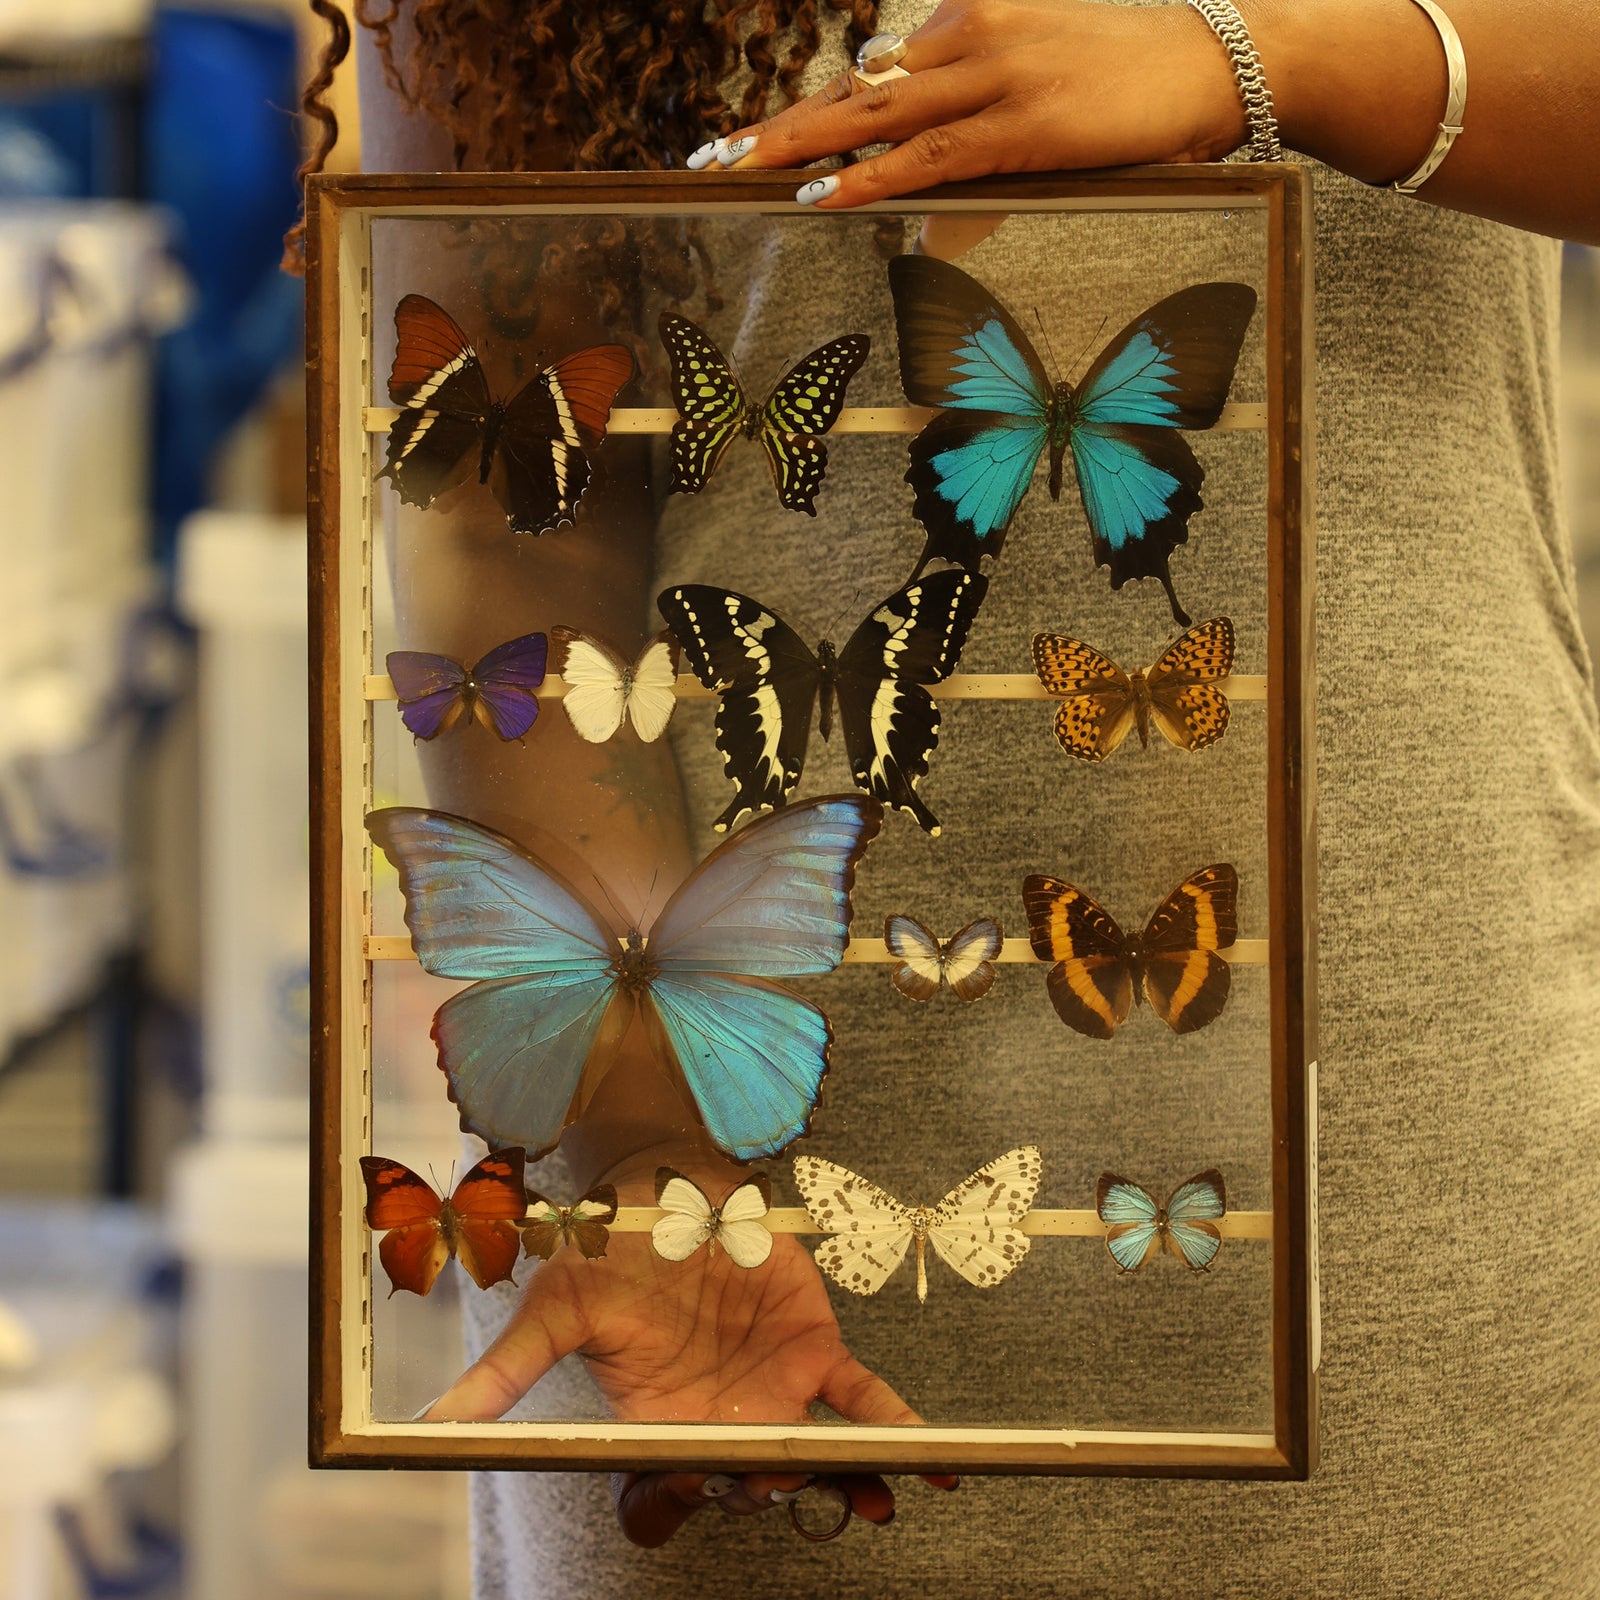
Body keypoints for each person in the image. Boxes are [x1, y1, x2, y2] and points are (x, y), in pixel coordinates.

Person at [309, 0, 1600, 1592]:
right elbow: (511, 520)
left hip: (1403, 1148)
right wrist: (649, 1144)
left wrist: (1268, 58)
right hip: (725, 1231)